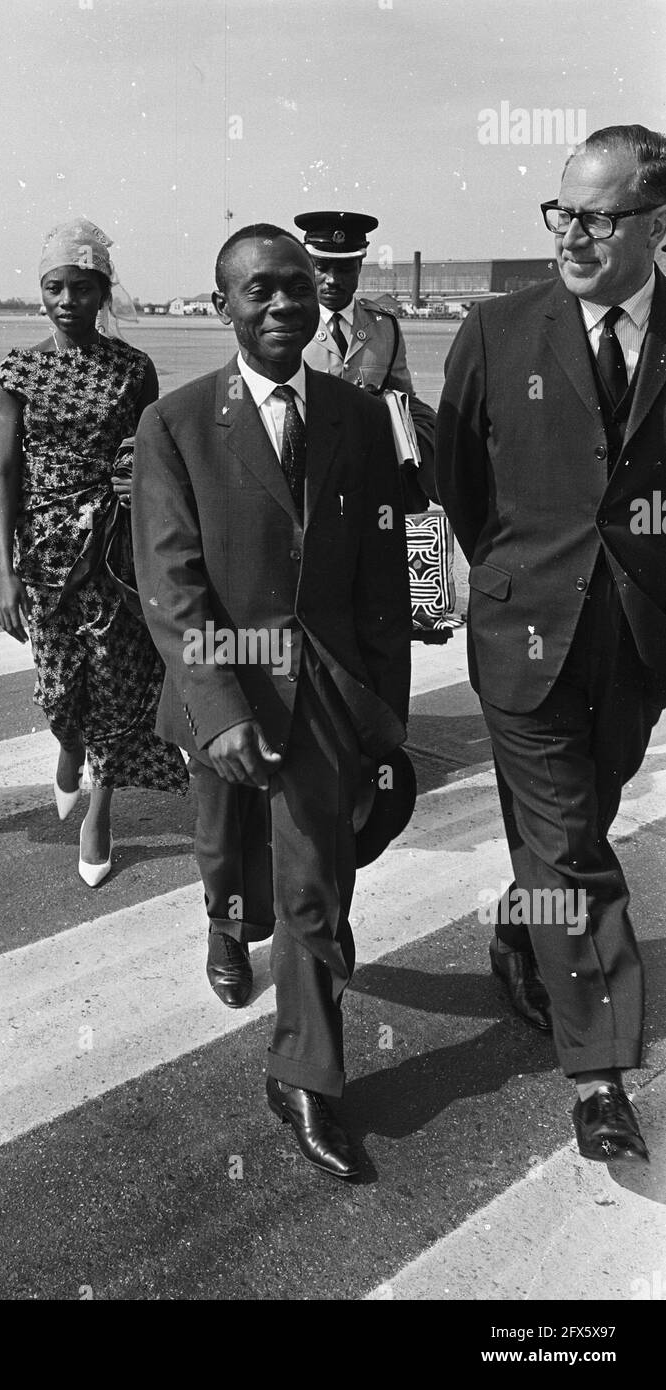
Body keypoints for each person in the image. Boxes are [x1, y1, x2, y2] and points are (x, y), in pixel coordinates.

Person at [132, 224, 411, 1178]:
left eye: (297, 285)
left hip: (327, 687)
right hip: (225, 682)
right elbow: (170, 584)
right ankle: (221, 914)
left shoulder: (356, 415)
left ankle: (304, 1075)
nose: (285, 302)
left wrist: (384, 715)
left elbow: (381, 572)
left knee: (315, 889)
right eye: (260, 290)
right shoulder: (172, 427)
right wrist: (223, 710)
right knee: (228, 853)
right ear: (226, 308)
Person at [436, 125, 666, 1165]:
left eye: (595, 216)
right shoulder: (495, 332)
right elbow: (458, 483)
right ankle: (600, 1072)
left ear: (654, 225)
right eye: (558, 211)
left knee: (579, 816)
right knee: (571, 843)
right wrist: (513, 573)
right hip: (521, 625)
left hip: (637, 640)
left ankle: (519, 930)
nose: (569, 234)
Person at [0, 218, 186, 885]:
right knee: (55, 690)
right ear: (40, 292)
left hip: (111, 552)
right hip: (40, 557)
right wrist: (4, 577)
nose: (67, 300)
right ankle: (67, 747)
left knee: (114, 683)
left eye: (81, 287)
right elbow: (2, 477)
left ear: (103, 291)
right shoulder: (20, 369)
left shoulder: (133, 370)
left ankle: (98, 810)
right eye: (54, 287)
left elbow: (148, 463)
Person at [296, 209, 437, 510]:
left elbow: (404, 399)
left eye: (345, 268)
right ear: (308, 265)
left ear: (360, 267)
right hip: (310, 475)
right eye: (322, 266)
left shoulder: (384, 326)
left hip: (370, 472)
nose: (332, 279)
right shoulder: (290, 324)